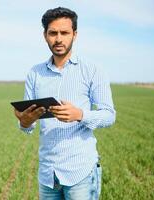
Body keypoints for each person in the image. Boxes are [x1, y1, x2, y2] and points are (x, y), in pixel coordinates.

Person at [14, 7, 116, 200]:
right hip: (47, 174)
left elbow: (109, 115)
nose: (58, 39)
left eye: (64, 33)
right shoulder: (35, 73)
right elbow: (26, 126)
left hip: (81, 171)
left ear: (74, 35)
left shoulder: (93, 70)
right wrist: (25, 122)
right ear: (45, 35)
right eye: (53, 33)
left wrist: (80, 115)